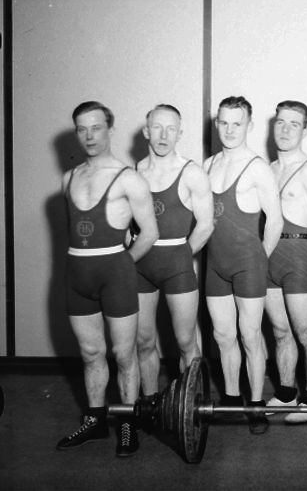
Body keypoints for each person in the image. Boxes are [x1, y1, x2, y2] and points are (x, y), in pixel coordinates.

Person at [57, 101, 158, 456]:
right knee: (90, 353)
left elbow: (149, 233)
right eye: (82, 129)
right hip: (76, 274)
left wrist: (121, 265)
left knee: (124, 354)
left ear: (110, 129)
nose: (89, 136)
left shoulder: (129, 178)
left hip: (115, 274)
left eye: (96, 127)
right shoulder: (68, 178)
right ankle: (96, 420)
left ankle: (127, 424)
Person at [204, 96, 283, 435]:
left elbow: (276, 220)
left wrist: (260, 258)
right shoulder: (208, 164)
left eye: (237, 123)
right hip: (215, 265)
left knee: (250, 335)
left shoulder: (257, 167)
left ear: (249, 126)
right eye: (224, 122)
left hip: (248, 264)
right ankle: (232, 398)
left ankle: (255, 404)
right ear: (216, 124)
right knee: (223, 335)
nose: (230, 129)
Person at [134, 105, 213, 403]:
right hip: (140, 267)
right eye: (157, 127)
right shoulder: (133, 173)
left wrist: (181, 255)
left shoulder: (191, 173)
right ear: (146, 131)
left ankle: (191, 406)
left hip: (177, 264)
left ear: (180, 134)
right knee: (143, 341)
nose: (163, 135)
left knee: (185, 340)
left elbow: (206, 225)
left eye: (171, 129)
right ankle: (150, 404)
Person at [265, 100, 307, 424]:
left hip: (299, 254)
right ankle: (285, 394)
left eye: (294, 124)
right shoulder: (268, 169)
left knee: (306, 332)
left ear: (304, 131)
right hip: (269, 255)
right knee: (280, 331)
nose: (285, 129)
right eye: (280, 122)